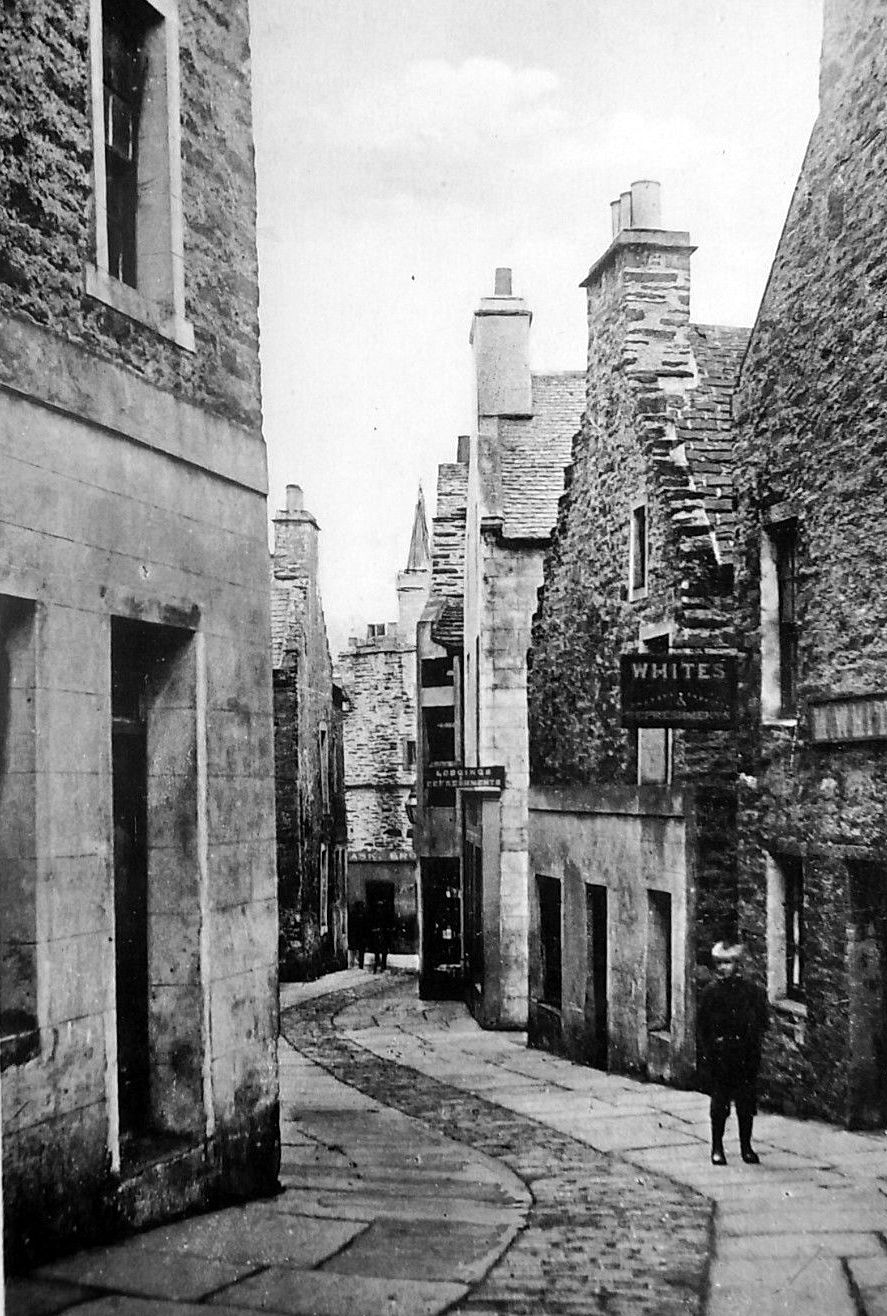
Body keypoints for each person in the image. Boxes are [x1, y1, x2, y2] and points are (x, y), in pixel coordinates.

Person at [698, 940, 769, 1166]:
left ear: (738, 964)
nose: (722, 968)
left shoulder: (753, 992)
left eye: (727, 963)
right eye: (719, 963)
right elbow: (703, 1027)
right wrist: (711, 1051)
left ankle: (746, 1147)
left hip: (745, 1055)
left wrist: (751, 1043)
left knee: (746, 1103)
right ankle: (717, 1147)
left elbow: (762, 1022)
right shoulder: (710, 993)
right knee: (719, 1104)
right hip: (721, 1056)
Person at [349, 899, 367, 969]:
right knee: (356, 949)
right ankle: (356, 963)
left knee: (359, 950)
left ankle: (359, 964)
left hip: (359, 935)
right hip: (357, 935)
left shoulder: (355, 914)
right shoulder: (356, 915)